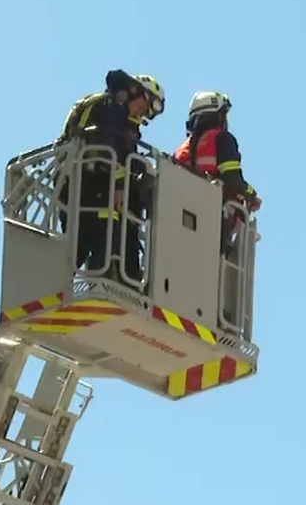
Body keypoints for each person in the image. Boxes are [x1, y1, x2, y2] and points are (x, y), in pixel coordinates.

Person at [59, 70, 165, 282]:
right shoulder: (108, 107)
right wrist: (119, 185)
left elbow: (124, 157)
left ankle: (64, 283)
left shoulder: (119, 119)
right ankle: (101, 282)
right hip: (85, 182)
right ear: (135, 92)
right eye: (145, 106)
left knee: (83, 243)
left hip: (85, 184)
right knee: (100, 231)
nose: (141, 114)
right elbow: (108, 151)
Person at [172, 91, 260, 329]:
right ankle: (215, 315)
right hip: (216, 213)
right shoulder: (223, 139)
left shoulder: (183, 149)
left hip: (182, 217)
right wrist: (250, 195)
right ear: (219, 116)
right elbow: (231, 176)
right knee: (216, 262)